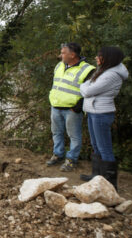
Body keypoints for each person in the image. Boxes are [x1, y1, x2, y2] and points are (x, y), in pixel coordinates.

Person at [79, 46, 128, 189]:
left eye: (99, 55)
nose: (96, 57)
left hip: (101, 113)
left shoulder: (111, 75)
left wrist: (83, 86)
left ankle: (109, 185)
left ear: (108, 58)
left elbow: (87, 90)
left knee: (104, 148)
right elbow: (87, 87)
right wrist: (85, 86)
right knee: (96, 146)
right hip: (93, 111)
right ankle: (97, 176)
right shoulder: (103, 71)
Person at [47, 42, 96, 171]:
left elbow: (91, 90)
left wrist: (78, 106)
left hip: (72, 110)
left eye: (63, 53)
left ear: (73, 55)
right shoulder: (59, 65)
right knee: (56, 132)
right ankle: (58, 155)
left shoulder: (88, 69)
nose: (60, 55)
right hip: (56, 106)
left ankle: (71, 160)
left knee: (74, 136)